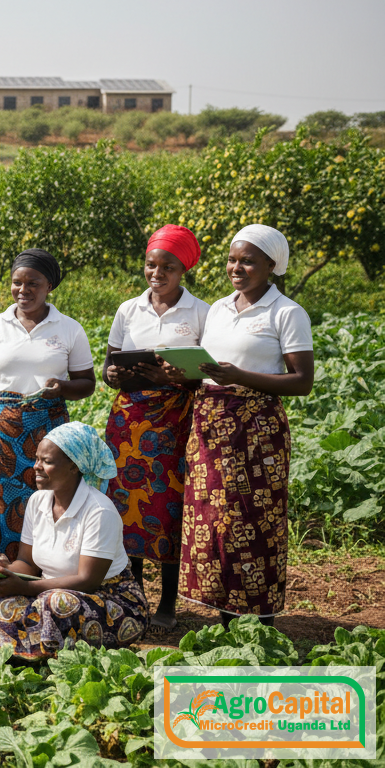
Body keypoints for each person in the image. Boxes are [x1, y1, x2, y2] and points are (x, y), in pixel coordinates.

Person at [174, 225, 314, 626]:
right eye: (233, 259)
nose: (237, 267)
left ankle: (260, 618)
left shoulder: (287, 312)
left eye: (248, 261)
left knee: (254, 519)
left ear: (272, 266)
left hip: (256, 431)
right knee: (214, 519)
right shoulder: (218, 308)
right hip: (210, 424)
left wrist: (240, 375)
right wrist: (180, 371)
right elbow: (209, 370)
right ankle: (223, 614)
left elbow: (302, 381)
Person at [0, 423, 147, 660]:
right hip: (46, 589)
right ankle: (4, 656)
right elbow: (27, 564)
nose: (36, 467)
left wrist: (26, 588)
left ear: (73, 466)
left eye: (46, 461)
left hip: (109, 598)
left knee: (56, 603)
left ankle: (47, 662)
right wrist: (4, 569)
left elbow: (87, 580)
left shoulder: (99, 511)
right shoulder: (38, 501)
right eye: (37, 459)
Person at [101, 225, 209, 630]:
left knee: (167, 508)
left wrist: (171, 377)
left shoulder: (202, 312)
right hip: (128, 421)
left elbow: (205, 373)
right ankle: (134, 594)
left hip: (174, 420)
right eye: (151, 264)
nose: (157, 273)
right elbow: (110, 366)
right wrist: (117, 374)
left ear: (184, 270)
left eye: (168, 266)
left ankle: (166, 600)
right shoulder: (129, 309)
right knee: (126, 507)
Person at [0, 249, 95, 560]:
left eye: (33, 283)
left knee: (47, 495)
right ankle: (0, 567)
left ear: (50, 286)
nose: (24, 290)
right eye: (16, 283)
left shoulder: (69, 328)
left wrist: (62, 388)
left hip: (47, 432)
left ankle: (43, 566)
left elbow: (87, 383)